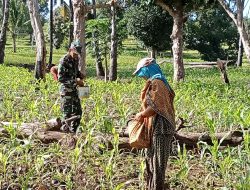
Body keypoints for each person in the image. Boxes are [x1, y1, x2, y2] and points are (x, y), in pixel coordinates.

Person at [133, 58, 175, 190]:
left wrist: (141, 115)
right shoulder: (157, 82)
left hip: (162, 127)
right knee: (152, 160)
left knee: (157, 164)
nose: (143, 77)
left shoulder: (157, 83)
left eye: (143, 73)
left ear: (149, 69)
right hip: (157, 126)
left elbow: (155, 108)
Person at [58, 40, 84, 133]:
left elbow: (75, 72)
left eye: (78, 54)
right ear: (70, 50)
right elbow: (61, 78)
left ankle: (74, 131)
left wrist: (80, 75)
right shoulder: (64, 60)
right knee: (67, 114)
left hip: (74, 90)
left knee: (78, 112)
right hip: (66, 91)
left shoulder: (75, 59)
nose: (76, 56)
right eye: (75, 53)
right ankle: (66, 134)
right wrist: (75, 81)